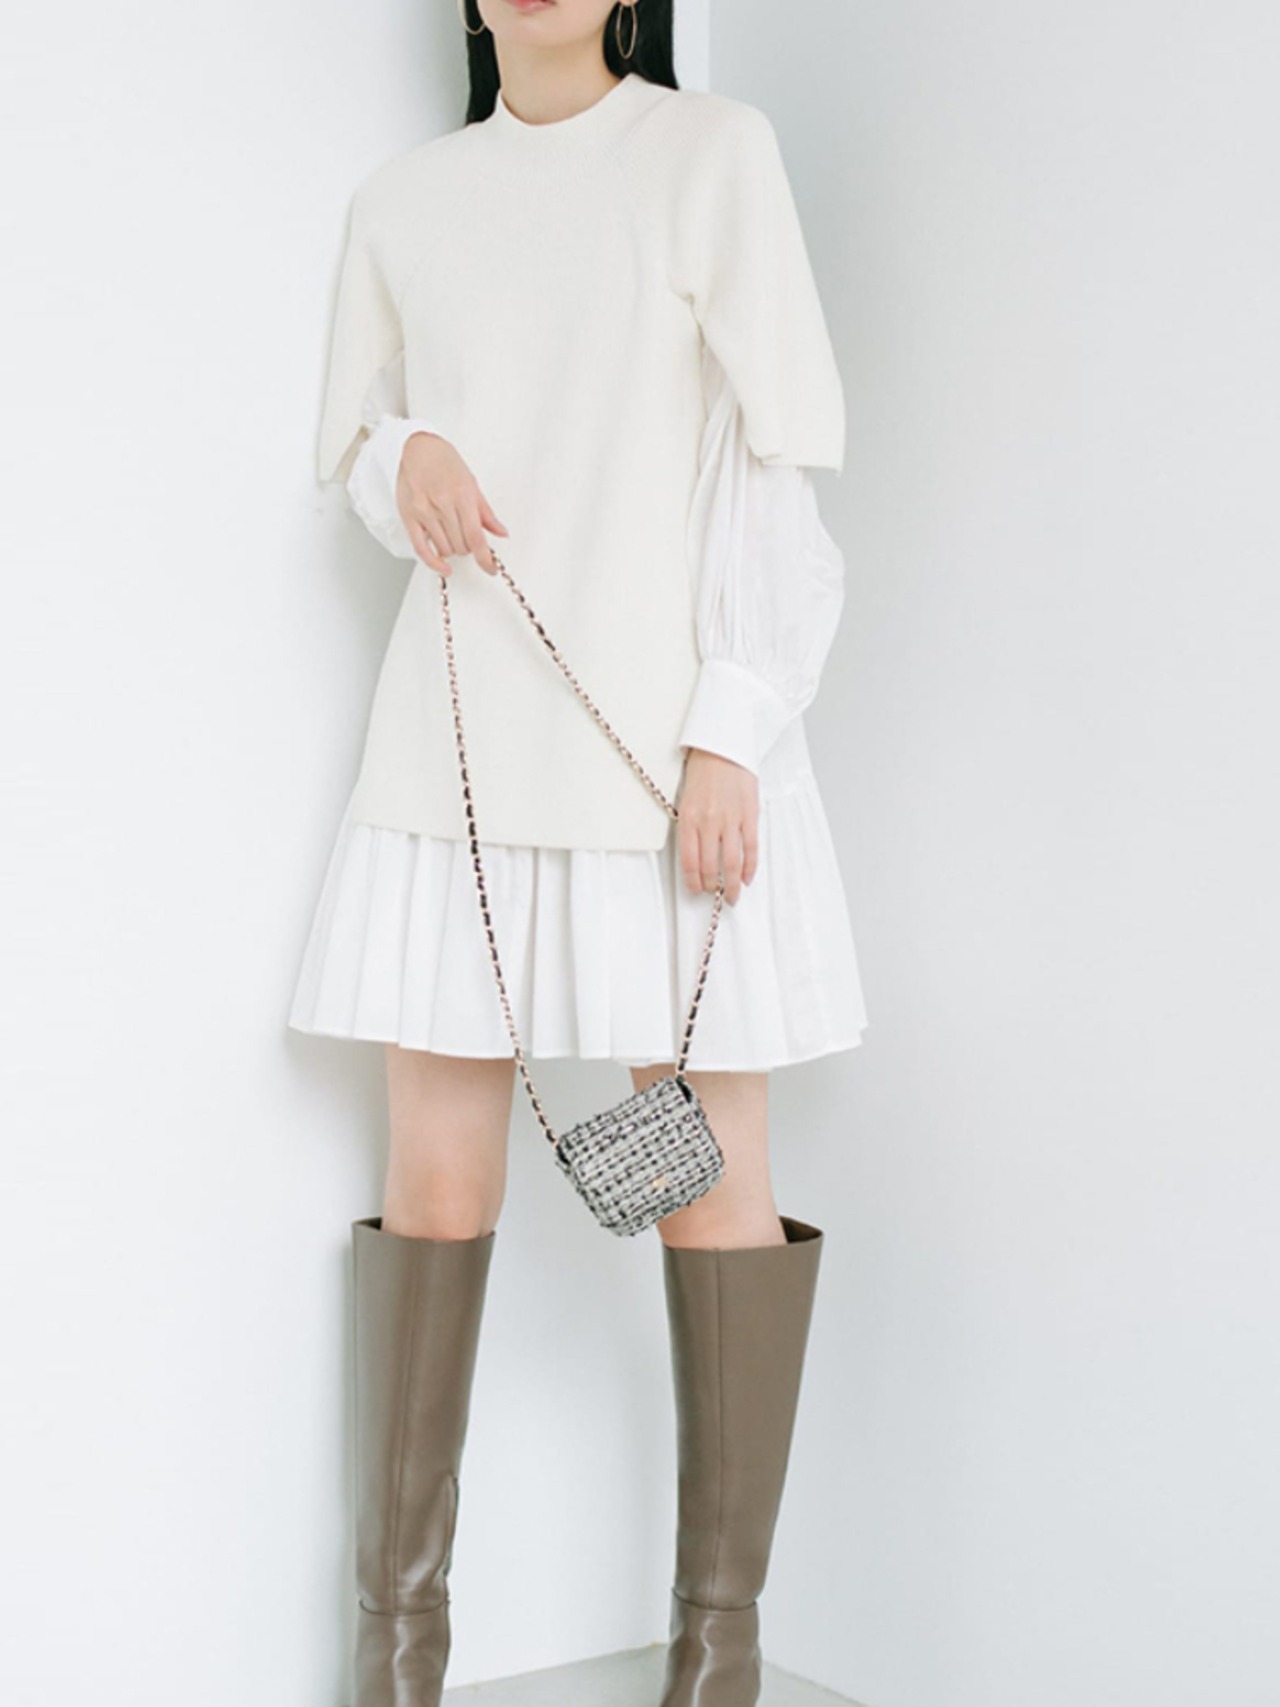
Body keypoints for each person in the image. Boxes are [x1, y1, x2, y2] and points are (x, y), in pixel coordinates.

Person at [288, 4, 869, 1704]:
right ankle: (398, 1660)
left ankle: (716, 1659)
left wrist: (733, 727)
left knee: (708, 1189)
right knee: (435, 1184)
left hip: (662, 753)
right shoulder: (403, 200)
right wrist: (408, 457)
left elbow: (774, 461)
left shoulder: (712, 155)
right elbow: (360, 450)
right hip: (458, 752)